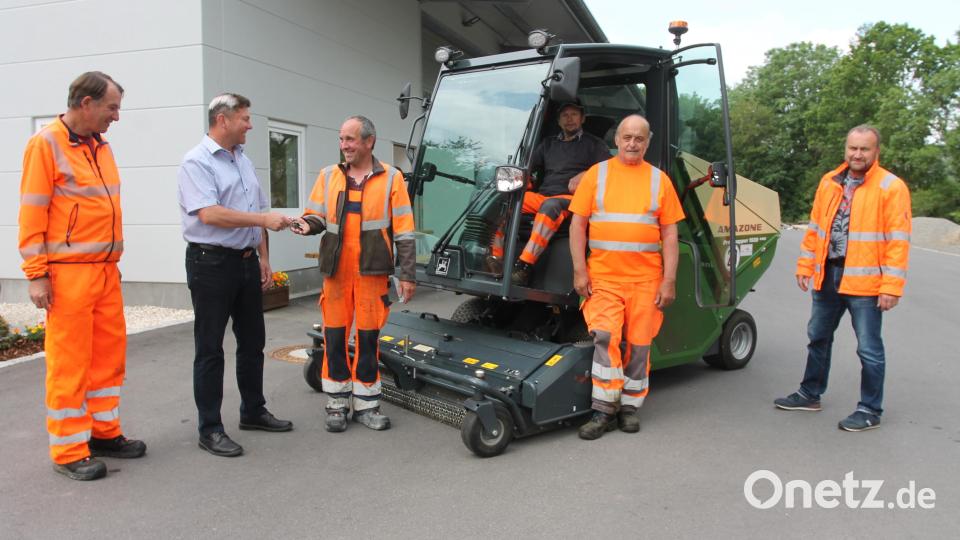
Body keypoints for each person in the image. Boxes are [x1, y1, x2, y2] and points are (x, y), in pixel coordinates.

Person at [18, 71, 146, 481]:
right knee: (70, 363)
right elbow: (32, 212)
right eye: (112, 108)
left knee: (108, 358)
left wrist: (111, 262)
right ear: (86, 103)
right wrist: (36, 274)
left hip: (105, 271)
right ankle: (69, 449)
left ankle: (103, 432)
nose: (116, 117)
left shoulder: (100, 146)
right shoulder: (46, 144)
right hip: (68, 274)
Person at [177, 93, 294, 457]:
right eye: (245, 118)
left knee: (253, 341)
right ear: (223, 120)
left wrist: (263, 258)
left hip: (245, 262)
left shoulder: (243, 160)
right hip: (211, 263)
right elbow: (209, 214)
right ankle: (210, 428)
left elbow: (257, 210)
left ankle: (253, 411)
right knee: (210, 348)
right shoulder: (196, 162)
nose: (250, 125)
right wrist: (262, 221)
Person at [775, 125, 911, 432]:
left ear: (876, 151)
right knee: (818, 337)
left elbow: (898, 241)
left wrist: (891, 287)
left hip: (866, 283)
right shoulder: (830, 182)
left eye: (864, 149)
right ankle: (810, 394)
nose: (857, 154)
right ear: (846, 149)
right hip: (828, 275)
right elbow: (815, 228)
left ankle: (869, 409)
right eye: (853, 148)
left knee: (868, 348)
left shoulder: (891, 187)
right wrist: (805, 265)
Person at [291, 115, 416, 433]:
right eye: (341, 139)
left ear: (369, 141)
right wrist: (306, 224)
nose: (343, 145)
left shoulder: (392, 178)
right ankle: (336, 403)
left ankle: (367, 405)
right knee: (333, 338)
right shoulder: (328, 175)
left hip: (372, 271)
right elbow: (316, 215)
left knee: (368, 339)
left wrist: (407, 274)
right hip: (337, 272)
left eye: (350, 139)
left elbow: (404, 230)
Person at [568, 114, 684, 440]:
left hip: (646, 281)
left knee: (640, 345)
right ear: (617, 140)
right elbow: (577, 225)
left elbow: (670, 234)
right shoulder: (597, 174)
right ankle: (603, 410)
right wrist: (579, 270)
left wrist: (669, 280)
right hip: (604, 278)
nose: (632, 143)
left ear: (647, 143)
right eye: (627, 137)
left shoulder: (660, 180)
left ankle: (630, 407)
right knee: (605, 338)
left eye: (639, 138)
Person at [506, 100, 610, 284]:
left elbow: (610, 169)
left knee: (550, 206)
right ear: (559, 121)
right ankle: (495, 258)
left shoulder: (594, 144)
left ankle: (524, 265)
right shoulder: (548, 143)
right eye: (565, 115)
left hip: (572, 199)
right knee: (505, 200)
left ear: (582, 118)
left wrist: (587, 174)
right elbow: (527, 167)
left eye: (574, 114)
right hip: (544, 196)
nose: (569, 119)